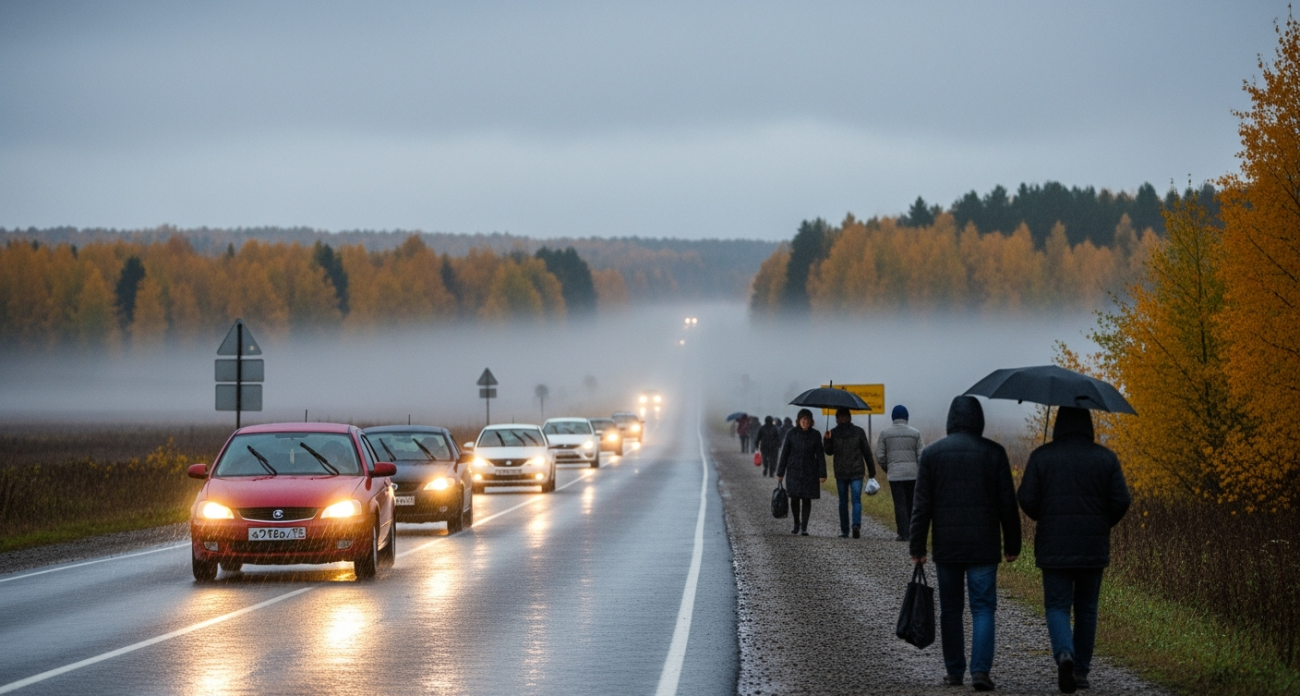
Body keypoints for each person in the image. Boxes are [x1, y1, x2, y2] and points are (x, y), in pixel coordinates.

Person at [1017, 407, 1131, 693]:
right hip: (1092, 546)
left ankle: (1064, 654)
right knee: (1087, 608)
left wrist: (1043, 517)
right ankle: (1080, 671)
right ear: (1088, 426)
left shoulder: (1042, 457)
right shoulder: (1106, 458)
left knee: (1057, 605)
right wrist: (1103, 523)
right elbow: (1122, 500)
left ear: (1058, 425)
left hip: (1054, 545)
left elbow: (1027, 499)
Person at [910, 396, 1021, 692]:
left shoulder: (932, 455)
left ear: (950, 420)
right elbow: (1007, 504)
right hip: (984, 546)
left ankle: (955, 671)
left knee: (951, 610)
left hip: (948, 547)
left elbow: (922, 506)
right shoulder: (994, 453)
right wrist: (1013, 544)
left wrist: (917, 547)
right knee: (983, 608)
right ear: (979, 420)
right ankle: (981, 671)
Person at [822, 407, 877, 538]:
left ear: (836, 419)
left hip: (841, 472)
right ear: (850, 417)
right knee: (856, 501)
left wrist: (826, 439)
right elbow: (867, 453)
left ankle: (845, 530)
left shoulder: (833, 433)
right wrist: (872, 471)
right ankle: (856, 525)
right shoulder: (859, 431)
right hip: (857, 471)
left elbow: (829, 452)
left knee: (843, 502)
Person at [877, 404, 924, 541]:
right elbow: (921, 455)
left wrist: (888, 467)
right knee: (911, 503)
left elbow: (880, 455)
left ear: (893, 418)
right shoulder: (915, 433)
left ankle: (903, 533)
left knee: (899, 504)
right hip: (912, 474)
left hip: (895, 475)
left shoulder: (885, 434)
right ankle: (912, 531)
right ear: (907, 417)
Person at [776, 408, 827, 536]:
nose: (805, 422)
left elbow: (820, 455)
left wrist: (822, 473)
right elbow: (784, 454)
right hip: (793, 471)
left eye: (807, 420)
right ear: (798, 421)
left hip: (810, 471)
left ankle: (804, 526)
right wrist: (780, 472)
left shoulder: (815, 435)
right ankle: (796, 523)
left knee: (806, 498)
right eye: (803, 419)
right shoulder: (791, 433)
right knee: (794, 498)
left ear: (811, 421)